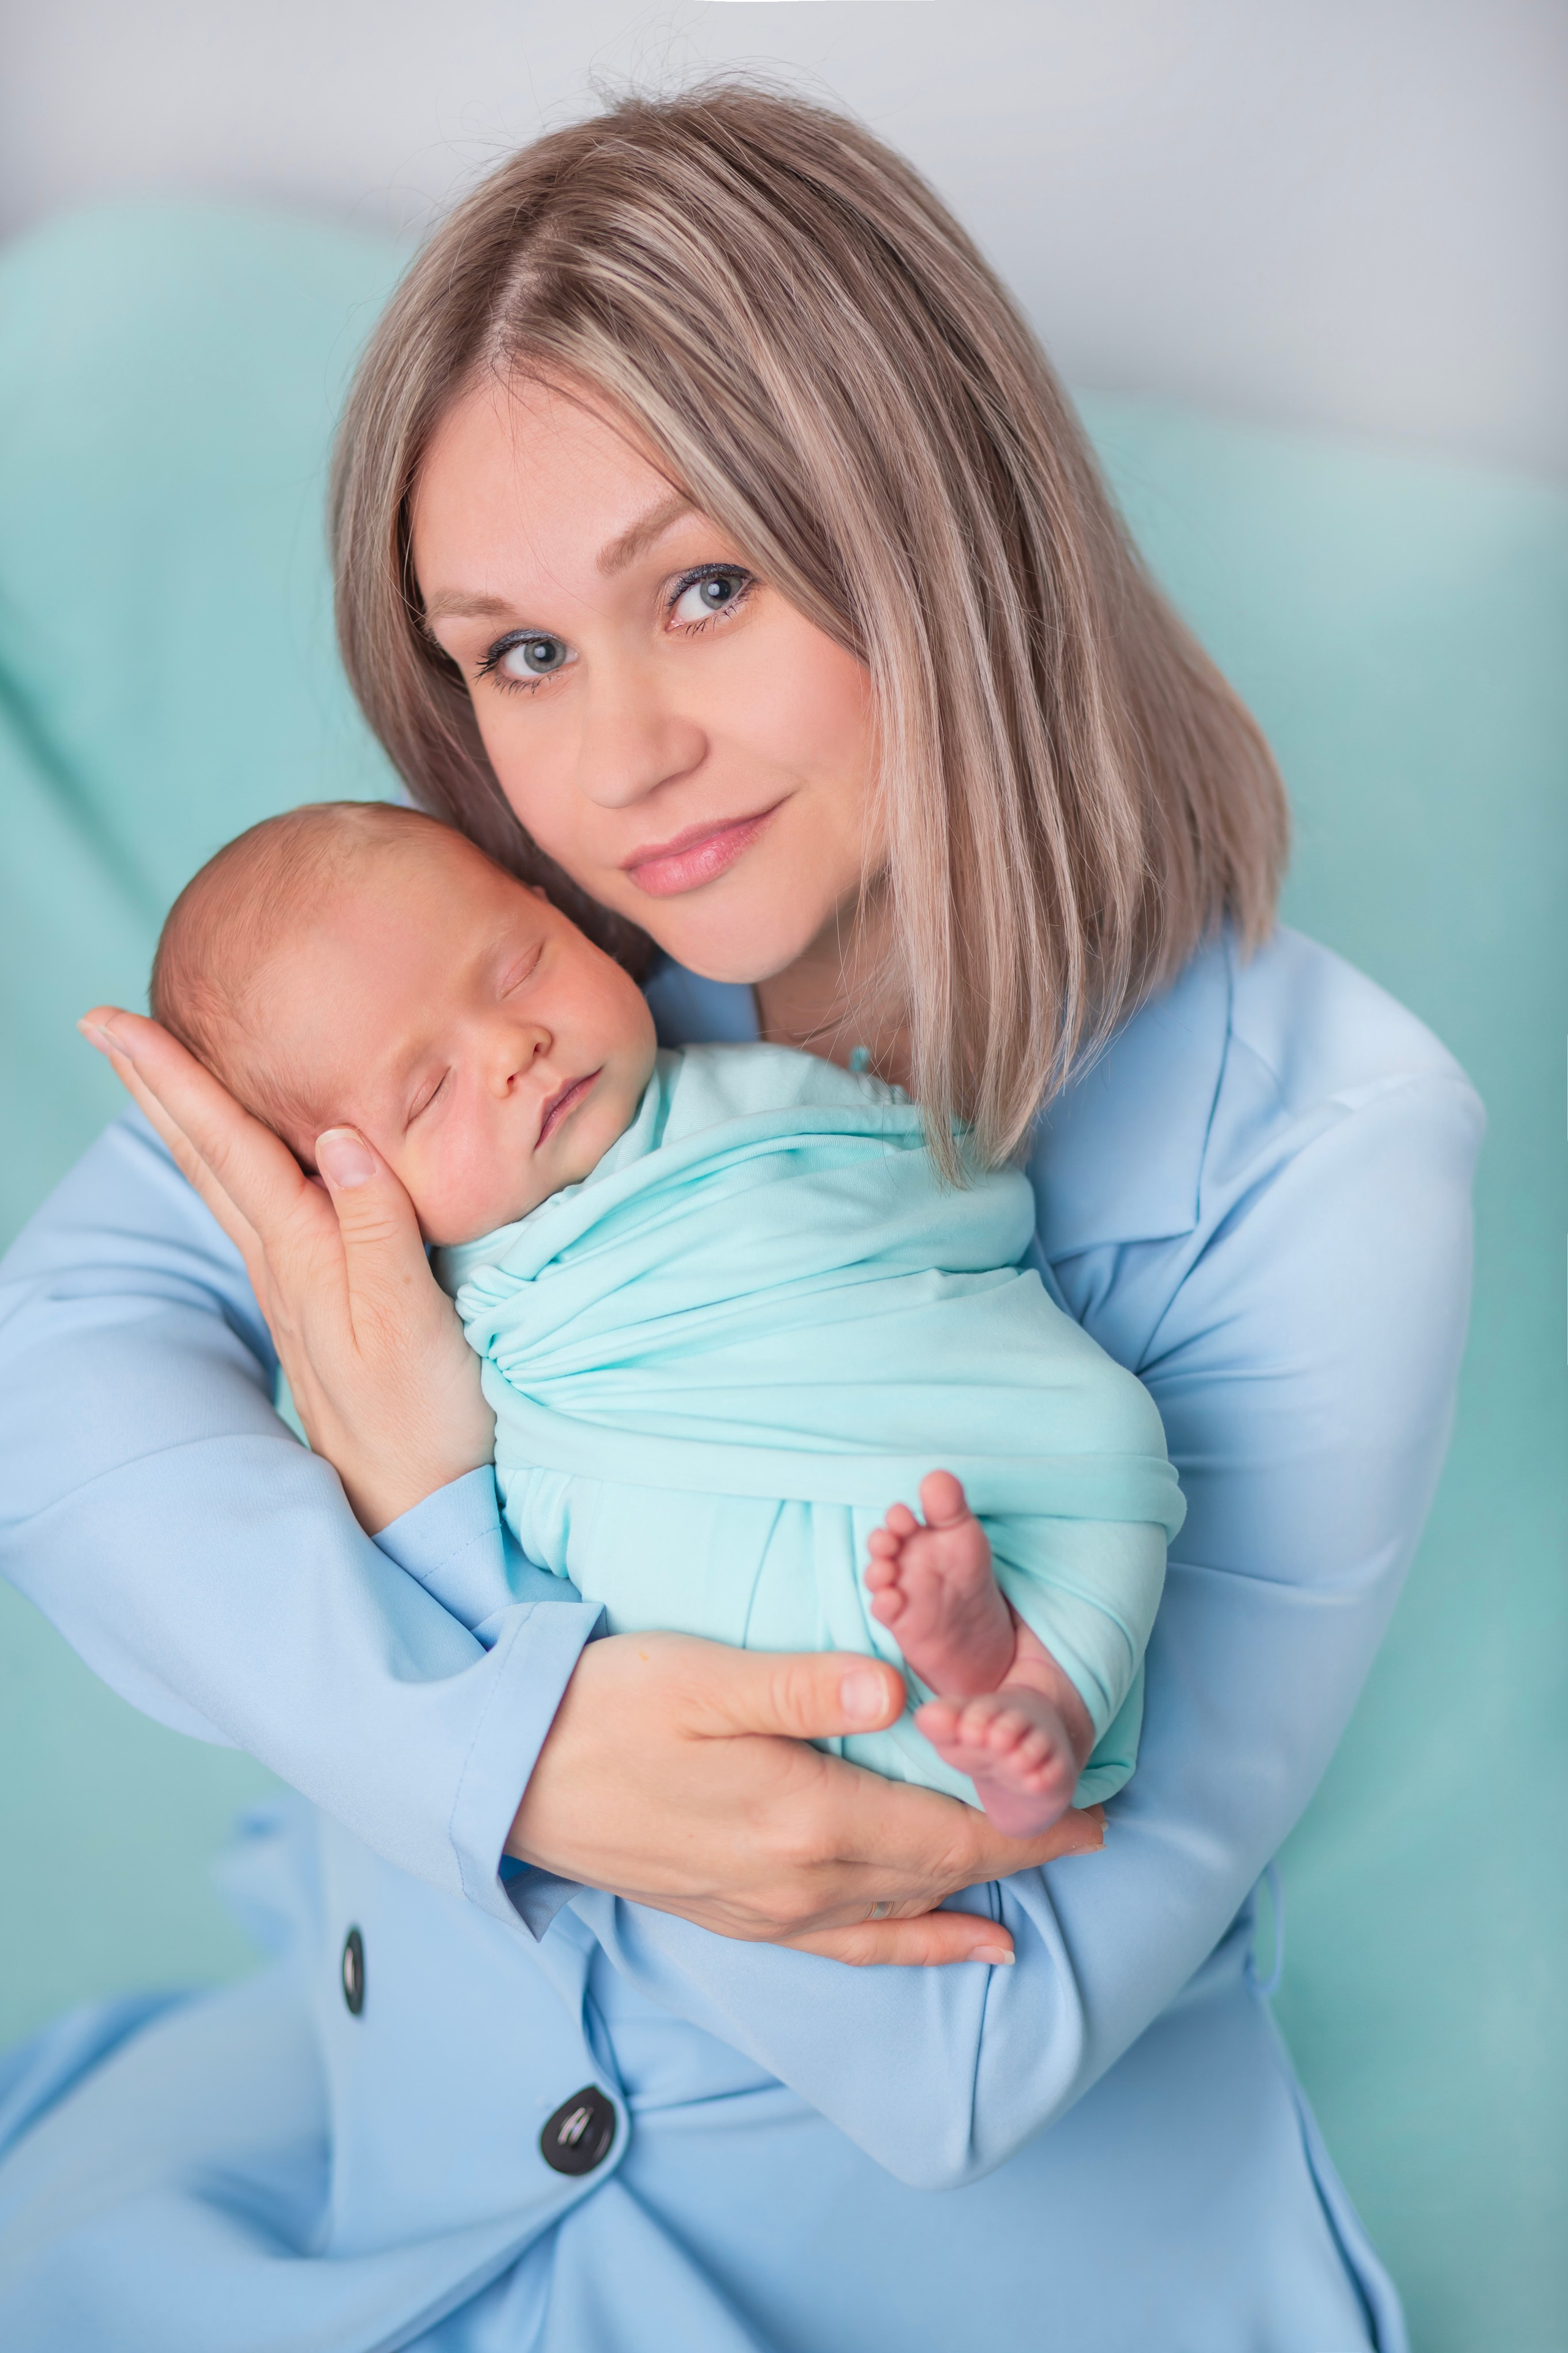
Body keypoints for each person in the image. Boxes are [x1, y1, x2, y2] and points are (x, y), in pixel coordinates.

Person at [0, 84, 1480, 2352]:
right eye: (519, 654)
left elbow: (962, 2050)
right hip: (374, 2169)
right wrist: (503, 1750)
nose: (619, 765)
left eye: (705, 589)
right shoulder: (505, 969)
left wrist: (439, 1534)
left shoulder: (1326, 1148)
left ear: (943, 539)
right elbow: (67, 1378)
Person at [147, 797, 1185, 1834]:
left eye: (520, 969)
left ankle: (1039, 1695)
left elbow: (939, 1197)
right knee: (690, 1581)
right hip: (698, 1542)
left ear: (562, 912)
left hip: (961, 1444)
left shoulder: (753, 1081)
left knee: (1103, 1428)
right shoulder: (418, 1306)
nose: (513, 1046)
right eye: (427, 1092)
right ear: (343, 1186)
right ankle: (976, 1695)